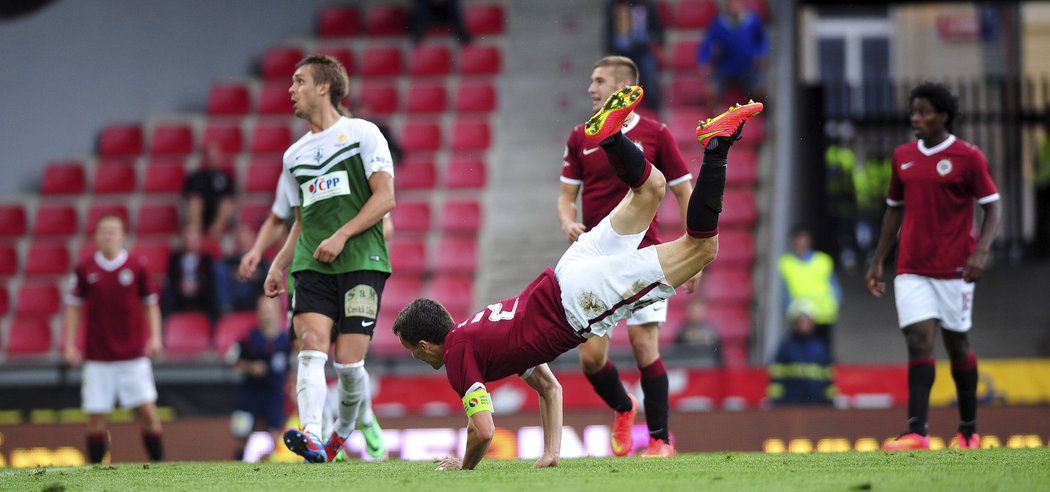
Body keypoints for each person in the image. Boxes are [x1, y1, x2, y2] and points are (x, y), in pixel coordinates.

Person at [394, 88, 762, 470]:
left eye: (412, 351)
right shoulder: (483, 339)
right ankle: (613, 138)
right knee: (650, 189)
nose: (415, 357)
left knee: (701, 249)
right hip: (567, 269)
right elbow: (550, 387)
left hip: (580, 299)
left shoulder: (458, 357)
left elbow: (483, 431)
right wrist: (552, 453)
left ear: (424, 344)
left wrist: (464, 466)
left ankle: (716, 147)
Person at [558, 55, 695, 457]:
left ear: (622, 88)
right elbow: (566, 198)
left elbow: (684, 191)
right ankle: (623, 407)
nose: (590, 89)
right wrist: (568, 222)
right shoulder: (580, 136)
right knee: (591, 358)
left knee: (644, 346)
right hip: (595, 262)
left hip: (643, 256)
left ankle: (659, 440)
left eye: (598, 81)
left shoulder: (656, 133)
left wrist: (692, 249)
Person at [264, 54, 395, 464]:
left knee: (349, 364)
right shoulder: (293, 156)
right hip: (312, 264)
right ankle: (313, 436)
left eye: (299, 81)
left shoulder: (362, 133)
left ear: (324, 87)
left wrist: (341, 235)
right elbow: (301, 221)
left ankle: (353, 424)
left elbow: (386, 197)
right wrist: (279, 262)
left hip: (361, 260)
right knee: (311, 346)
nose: (291, 89)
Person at [865, 82, 1001, 451]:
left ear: (943, 116)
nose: (916, 118)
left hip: (955, 268)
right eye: (913, 111)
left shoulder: (968, 157)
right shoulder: (903, 157)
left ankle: (969, 431)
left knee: (956, 345)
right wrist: (879, 260)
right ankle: (917, 432)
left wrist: (981, 252)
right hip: (911, 268)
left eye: (924, 112)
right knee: (918, 339)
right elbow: (893, 209)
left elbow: (992, 206)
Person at [62, 214, 164, 463]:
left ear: (122, 236)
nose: (108, 235)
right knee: (96, 418)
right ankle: (96, 470)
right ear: (96, 236)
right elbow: (74, 308)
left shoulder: (137, 266)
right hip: (98, 355)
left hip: (133, 354)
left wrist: (155, 337)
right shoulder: (85, 268)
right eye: (104, 231)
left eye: (113, 231)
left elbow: (150, 304)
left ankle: (160, 466)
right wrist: (69, 344)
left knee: (148, 412)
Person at [228, 295, 292, 461]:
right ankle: (240, 461)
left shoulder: (286, 341)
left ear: (279, 313)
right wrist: (250, 367)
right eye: (264, 311)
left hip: (274, 393)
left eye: (271, 311)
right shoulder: (248, 337)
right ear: (258, 313)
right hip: (250, 391)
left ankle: (273, 465)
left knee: (275, 434)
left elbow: (293, 365)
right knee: (241, 432)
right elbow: (231, 359)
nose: (267, 315)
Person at [778, 226, 841, 354]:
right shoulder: (786, 263)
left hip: (823, 315)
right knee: (800, 352)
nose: (801, 242)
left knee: (823, 352)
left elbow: (834, 287)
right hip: (800, 317)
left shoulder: (823, 260)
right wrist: (790, 311)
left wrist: (834, 304)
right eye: (798, 239)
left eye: (804, 239)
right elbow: (785, 291)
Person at [697, 0, 768, 112]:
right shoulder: (718, 24)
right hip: (724, 68)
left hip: (746, 68)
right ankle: (715, 122)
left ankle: (762, 121)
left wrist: (760, 53)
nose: (734, 7)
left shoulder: (752, 21)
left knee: (761, 92)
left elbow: (762, 40)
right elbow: (707, 45)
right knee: (711, 92)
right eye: (732, 4)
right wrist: (704, 62)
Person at [767, 300, 835, 406]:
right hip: (790, 406)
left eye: (808, 321)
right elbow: (776, 379)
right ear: (794, 323)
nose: (805, 325)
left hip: (815, 406)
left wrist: (830, 401)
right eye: (802, 321)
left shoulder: (820, 347)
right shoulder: (786, 347)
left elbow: (828, 379)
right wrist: (776, 403)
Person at [604, 0, 665, 114]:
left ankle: (655, 115)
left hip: (643, 50)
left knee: (650, 84)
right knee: (618, 88)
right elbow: (609, 28)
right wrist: (609, 49)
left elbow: (658, 27)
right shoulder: (614, 5)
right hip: (621, 52)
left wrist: (655, 41)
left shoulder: (647, 4)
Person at [162, 225, 220, 322]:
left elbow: (209, 279)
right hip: (180, 290)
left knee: (214, 293)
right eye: (188, 240)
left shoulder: (206, 258)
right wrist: (180, 286)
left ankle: (213, 325)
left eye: (193, 240)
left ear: (199, 241)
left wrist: (197, 286)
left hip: (201, 291)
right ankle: (168, 324)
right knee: (168, 292)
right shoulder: (175, 257)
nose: (190, 243)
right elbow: (172, 277)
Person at [184, 140, 236, 240]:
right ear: (205, 158)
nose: (213, 159)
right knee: (194, 203)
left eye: (216, 156)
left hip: (218, 218)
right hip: (199, 217)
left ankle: (215, 232)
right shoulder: (196, 177)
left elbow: (231, 199)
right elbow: (190, 197)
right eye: (210, 156)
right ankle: (196, 230)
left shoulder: (226, 177)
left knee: (226, 205)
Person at [216, 223, 269, 314]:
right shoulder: (231, 260)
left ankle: (266, 309)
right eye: (240, 239)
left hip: (254, 293)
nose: (244, 242)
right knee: (219, 270)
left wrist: (254, 274)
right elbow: (225, 270)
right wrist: (235, 273)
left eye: (246, 239)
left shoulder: (262, 261)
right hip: (235, 293)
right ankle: (226, 308)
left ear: (253, 241)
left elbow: (263, 273)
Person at [673, 296, 722, 365]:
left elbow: (719, 356)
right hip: (689, 368)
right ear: (688, 311)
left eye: (699, 311)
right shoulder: (682, 332)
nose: (696, 314)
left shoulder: (712, 333)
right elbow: (676, 355)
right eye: (694, 310)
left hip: (708, 369)